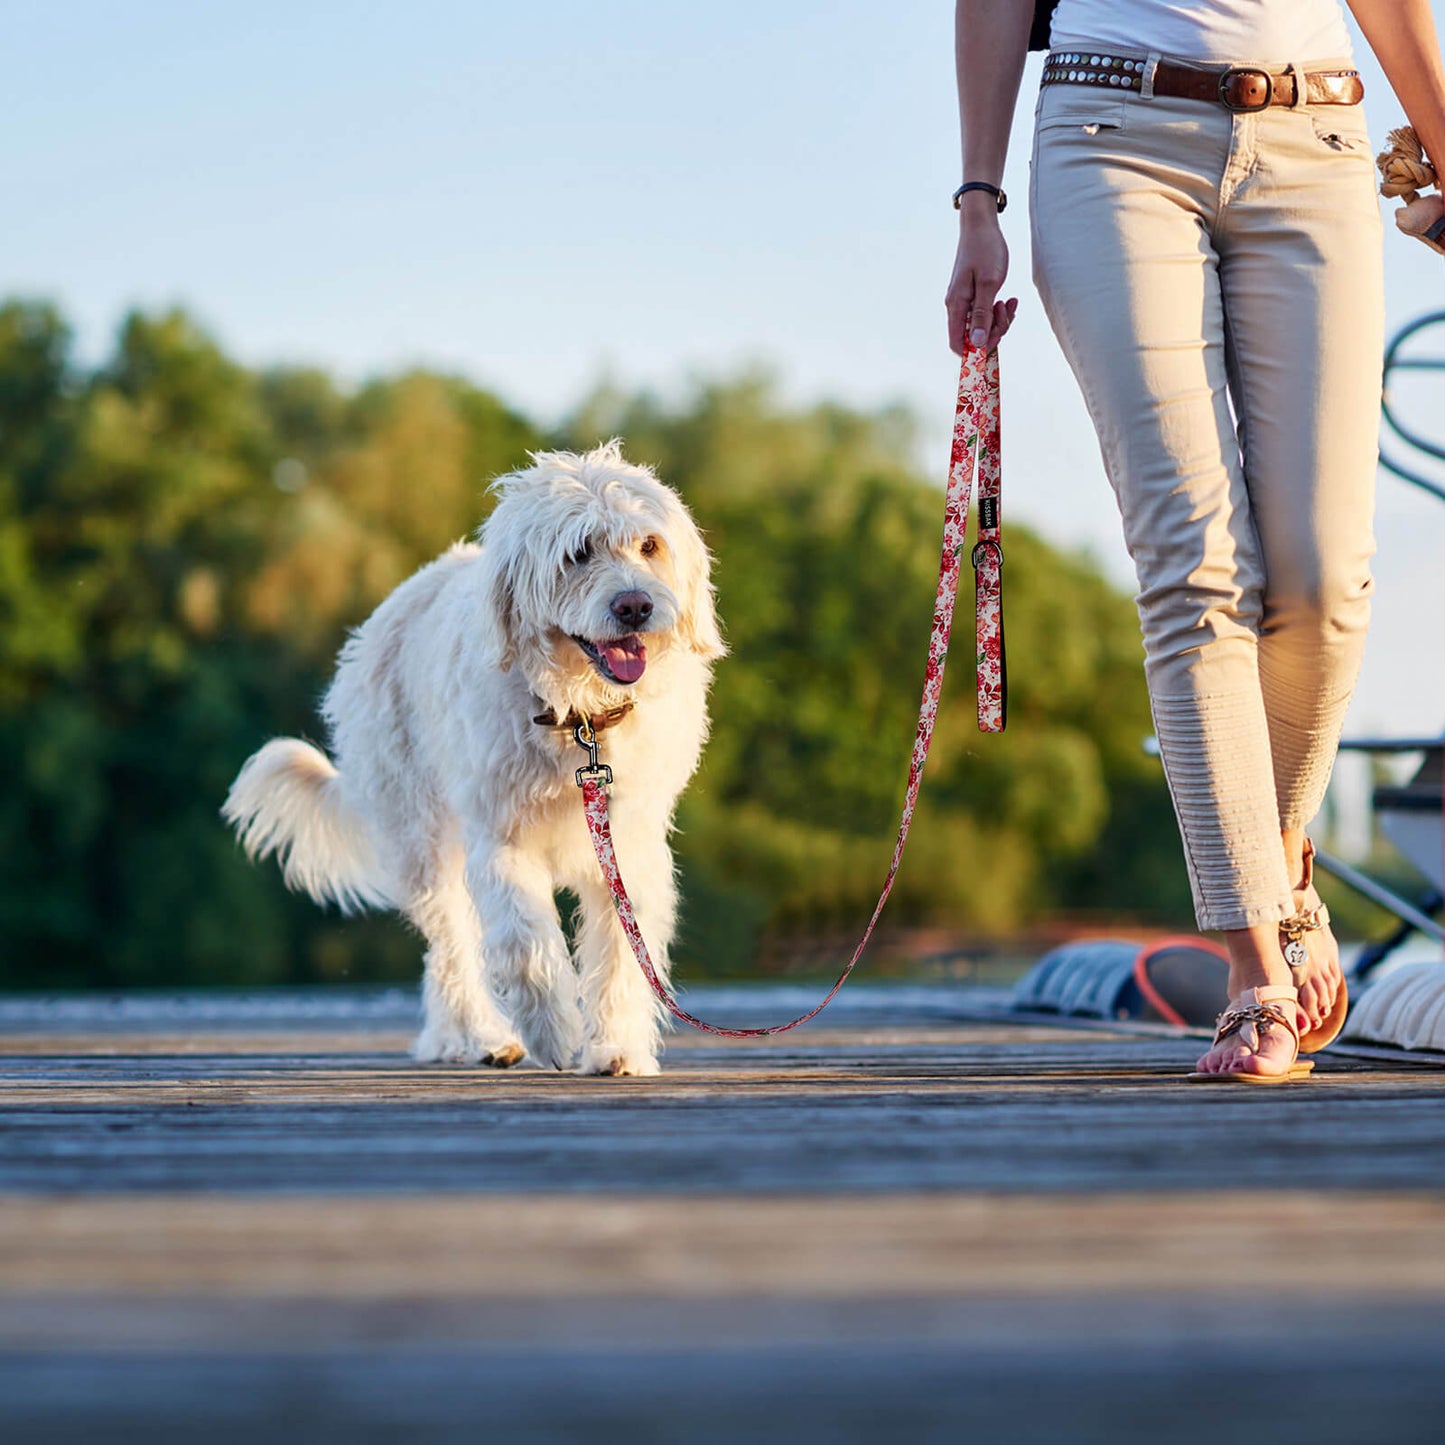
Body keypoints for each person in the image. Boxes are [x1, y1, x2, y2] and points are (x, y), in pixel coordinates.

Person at [947, 0, 1445, 1080]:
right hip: (1107, 140)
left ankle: (1274, 860)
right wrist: (976, 198)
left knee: (1322, 578)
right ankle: (1254, 968)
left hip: (1314, 136)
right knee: (1195, 564)